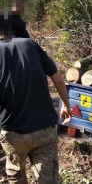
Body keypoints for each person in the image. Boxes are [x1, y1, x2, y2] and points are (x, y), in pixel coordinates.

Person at [0, 16, 72, 184]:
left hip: (12, 132)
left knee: (16, 176)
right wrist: (66, 106)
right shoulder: (31, 45)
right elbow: (59, 80)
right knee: (49, 180)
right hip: (44, 130)